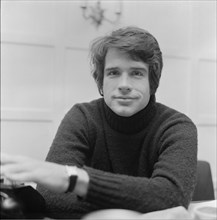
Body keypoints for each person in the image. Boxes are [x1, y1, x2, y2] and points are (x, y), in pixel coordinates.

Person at [1, 26, 198, 219]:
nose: (124, 86)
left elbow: (172, 197)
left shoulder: (176, 126)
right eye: (113, 73)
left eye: (136, 73)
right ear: (101, 79)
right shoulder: (82, 117)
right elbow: (52, 200)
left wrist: (74, 180)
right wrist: (136, 211)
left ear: (152, 81)